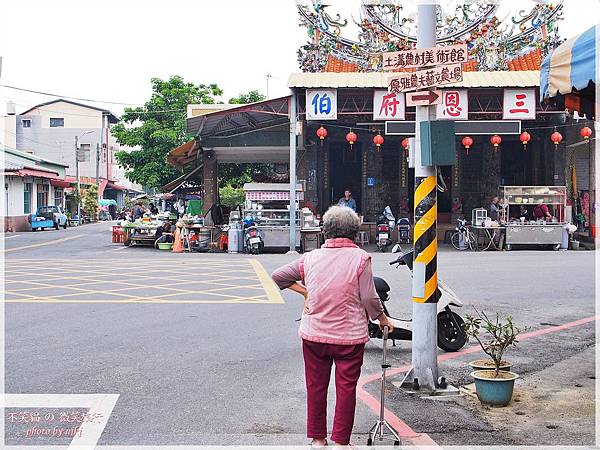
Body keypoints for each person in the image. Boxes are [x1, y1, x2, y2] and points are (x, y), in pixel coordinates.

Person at [271, 206, 393, 447]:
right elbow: (368, 297)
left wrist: (305, 291)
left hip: (314, 335)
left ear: (325, 231)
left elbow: (278, 276)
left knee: (316, 387)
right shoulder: (360, 258)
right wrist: (382, 319)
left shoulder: (310, 258)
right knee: (346, 389)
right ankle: (341, 442)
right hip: (349, 338)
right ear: (354, 232)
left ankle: (318, 440)